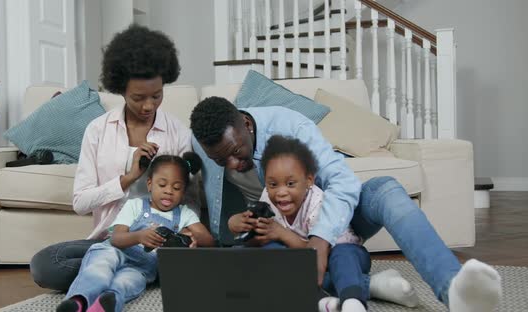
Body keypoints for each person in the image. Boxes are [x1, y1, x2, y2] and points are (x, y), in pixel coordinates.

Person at [189, 96, 502, 312]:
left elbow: (343, 181)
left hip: (334, 223)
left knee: (387, 189)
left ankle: (454, 291)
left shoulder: (291, 128)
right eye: (221, 160)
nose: (231, 164)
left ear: (246, 123)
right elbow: (220, 207)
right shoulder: (203, 142)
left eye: (237, 152)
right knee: (249, 276)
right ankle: (371, 286)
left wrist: (321, 239)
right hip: (279, 235)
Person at [30, 23, 198, 291]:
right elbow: (80, 203)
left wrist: (189, 234)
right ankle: (136, 272)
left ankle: (112, 273)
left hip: (159, 243)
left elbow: (189, 200)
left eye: (157, 95)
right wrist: (127, 179)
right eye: (138, 98)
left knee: (182, 259)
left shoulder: (177, 132)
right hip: (110, 240)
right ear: (120, 89)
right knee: (45, 264)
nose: (148, 106)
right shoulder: (98, 130)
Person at [228, 135, 419, 312]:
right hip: (304, 264)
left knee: (341, 255)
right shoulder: (267, 200)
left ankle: (353, 301)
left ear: (309, 180)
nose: (280, 192)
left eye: (290, 184)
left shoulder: (318, 203)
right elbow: (261, 243)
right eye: (272, 184)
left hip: (343, 255)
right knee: (271, 251)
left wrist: (282, 233)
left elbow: (318, 253)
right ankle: (324, 300)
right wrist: (241, 225)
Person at [56, 153, 214, 312]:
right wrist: (139, 236)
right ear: (150, 184)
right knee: (100, 268)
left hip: (142, 267)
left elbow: (209, 241)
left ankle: (105, 304)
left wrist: (193, 237)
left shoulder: (185, 214)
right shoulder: (135, 205)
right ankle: (78, 301)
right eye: (162, 185)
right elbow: (116, 238)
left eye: (176, 187)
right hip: (115, 251)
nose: (169, 191)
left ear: (184, 191)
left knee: (127, 283)